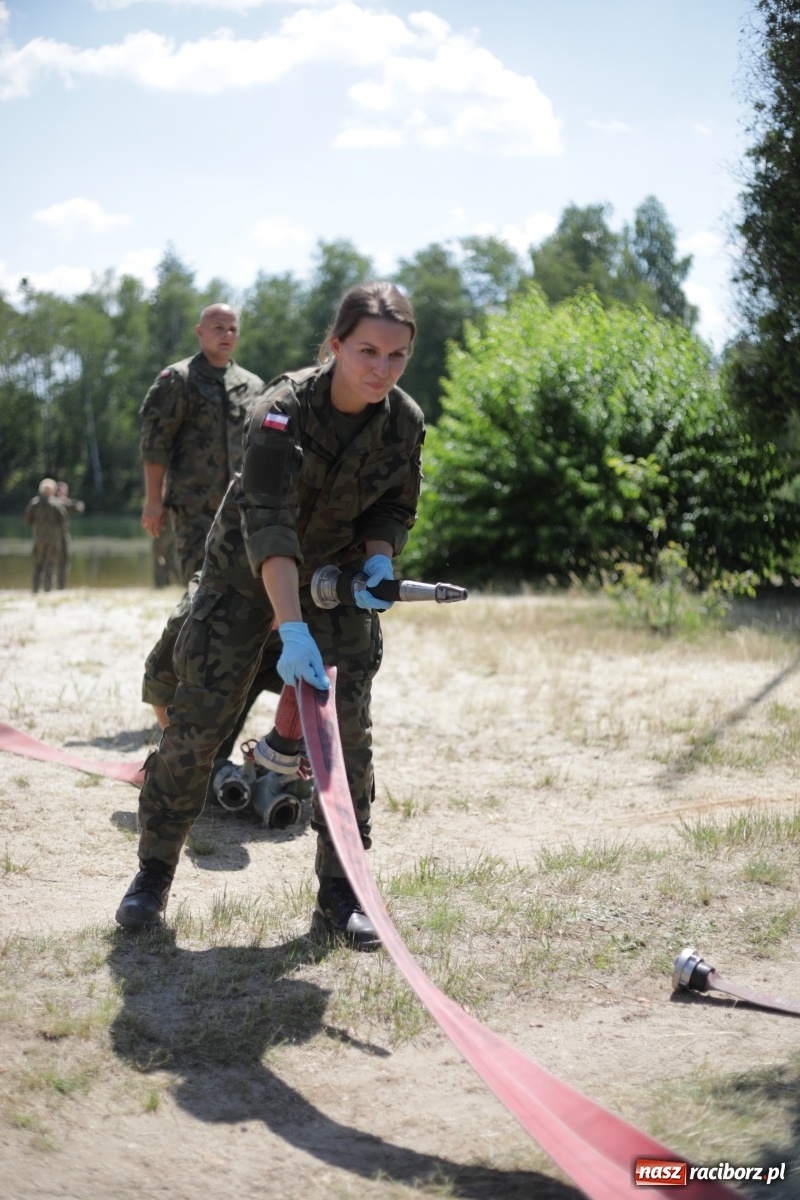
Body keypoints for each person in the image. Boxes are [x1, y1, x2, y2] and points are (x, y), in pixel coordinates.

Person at [116, 281, 425, 951]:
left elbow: (392, 506)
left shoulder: (403, 419)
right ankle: (153, 873)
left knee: (346, 737)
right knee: (199, 724)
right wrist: (288, 627)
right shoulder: (281, 410)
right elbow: (270, 525)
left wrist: (378, 562)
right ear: (335, 345)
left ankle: (342, 894)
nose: (381, 369)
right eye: (367, 350)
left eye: (397, 356)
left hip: (334, 580)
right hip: (243, 574)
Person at [138, 303, 266, 728]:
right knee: (201, 596)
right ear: (200, 331)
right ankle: (182, 689)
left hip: (239, 510)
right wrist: (153, 500)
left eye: (232, 328)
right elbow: (156, 444)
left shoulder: (252, 385)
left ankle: (212, 691)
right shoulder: (177, 380)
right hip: (193, 510)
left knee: (238, 598)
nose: (226, 334)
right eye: (217, 327)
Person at [23, 479, 68, 593]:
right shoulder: (56, 504)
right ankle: (47, 590)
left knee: (37, 564)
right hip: (53, 540)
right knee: (50, 564)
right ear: (52, 490)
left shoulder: (34, 503)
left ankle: (35, 590)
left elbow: (27, 519)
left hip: (38, 539)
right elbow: (63, 520)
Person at [55, 480, 85, 589]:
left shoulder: (64, 503)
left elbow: (80, 507)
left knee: (64, 561)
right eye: (62, 490)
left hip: (62, 536)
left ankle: (60, 587)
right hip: (55, 537)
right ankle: (54, 587)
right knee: (53, 562)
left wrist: (67, 501)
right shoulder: (54, 503)